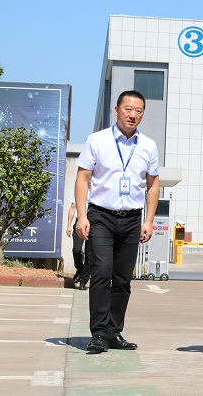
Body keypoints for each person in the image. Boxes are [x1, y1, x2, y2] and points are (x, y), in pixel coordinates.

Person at [75, 90, 159, 354]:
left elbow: (153, 185)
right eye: (128, 109)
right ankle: (99, 333)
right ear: (117, 110)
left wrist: (149, 220)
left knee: (122, 279)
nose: (133, 115)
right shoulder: (97, 140)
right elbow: (83, 178)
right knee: (101, 273)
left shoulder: (148, 146)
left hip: (132, 219)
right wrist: (82, 216)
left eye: (138, 111)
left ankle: (114, 332)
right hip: (101, 216)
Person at [66, 191, 91, 290]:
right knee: (76, 250)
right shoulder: (79, 189)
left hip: (94, 222)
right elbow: (72, 208)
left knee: (90, 254)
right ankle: (80, 269)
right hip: (80, 222)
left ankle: (83, 281)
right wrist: (68, 225)